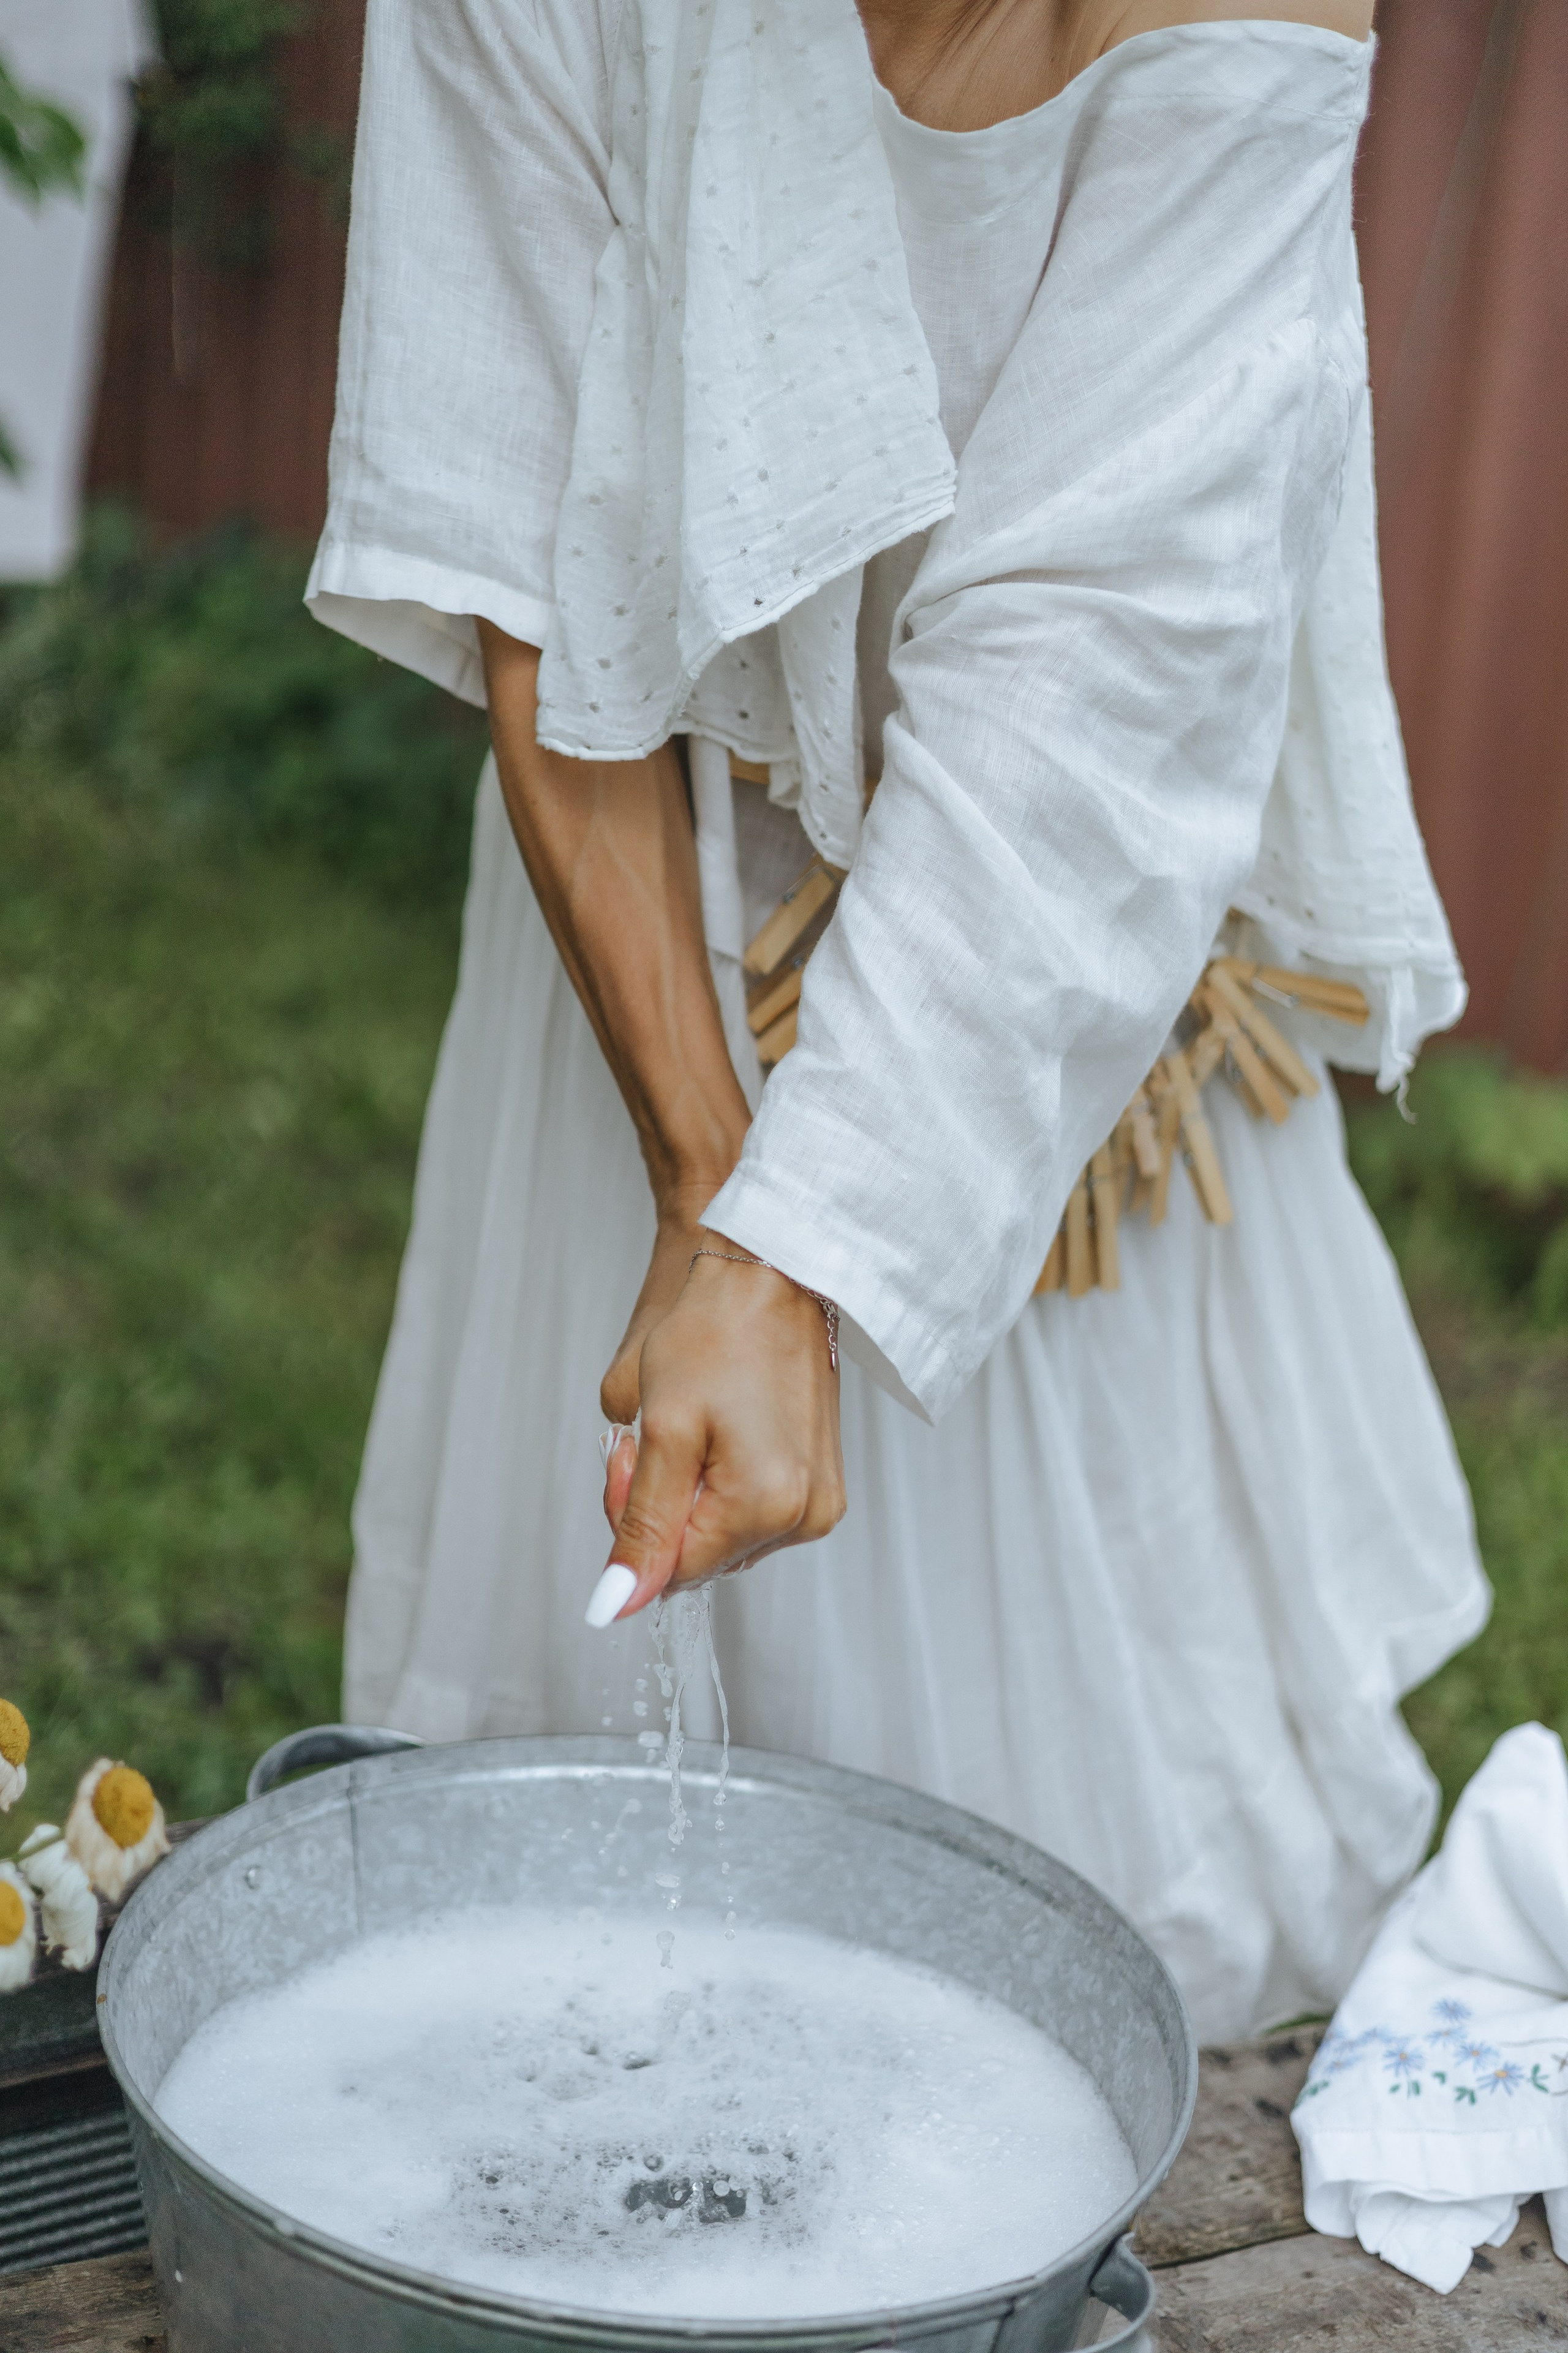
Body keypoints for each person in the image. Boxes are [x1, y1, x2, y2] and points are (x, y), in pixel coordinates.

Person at [305, 0, 1489, 2040]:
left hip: (1076, 915)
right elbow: (526, 558)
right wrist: (707, 1185)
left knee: (1111, 1879)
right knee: (568, 1964)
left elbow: (1103, 662)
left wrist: (815, 1240)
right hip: (653, 875)